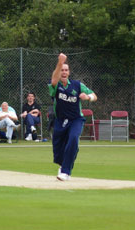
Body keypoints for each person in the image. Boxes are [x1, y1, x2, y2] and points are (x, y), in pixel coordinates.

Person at [49, 53, 97, 181]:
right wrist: (60, 62)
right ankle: (63, 165)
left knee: (73, 139)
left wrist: (87, 97)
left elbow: (94, 95)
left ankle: (65, 171)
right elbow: (54, 80)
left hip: (76, 119)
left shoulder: (77, 85)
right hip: (60, 120)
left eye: (66, 70)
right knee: (58, 148)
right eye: (62, 70)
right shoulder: (56, 86)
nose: (63, 72)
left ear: (69, 72)